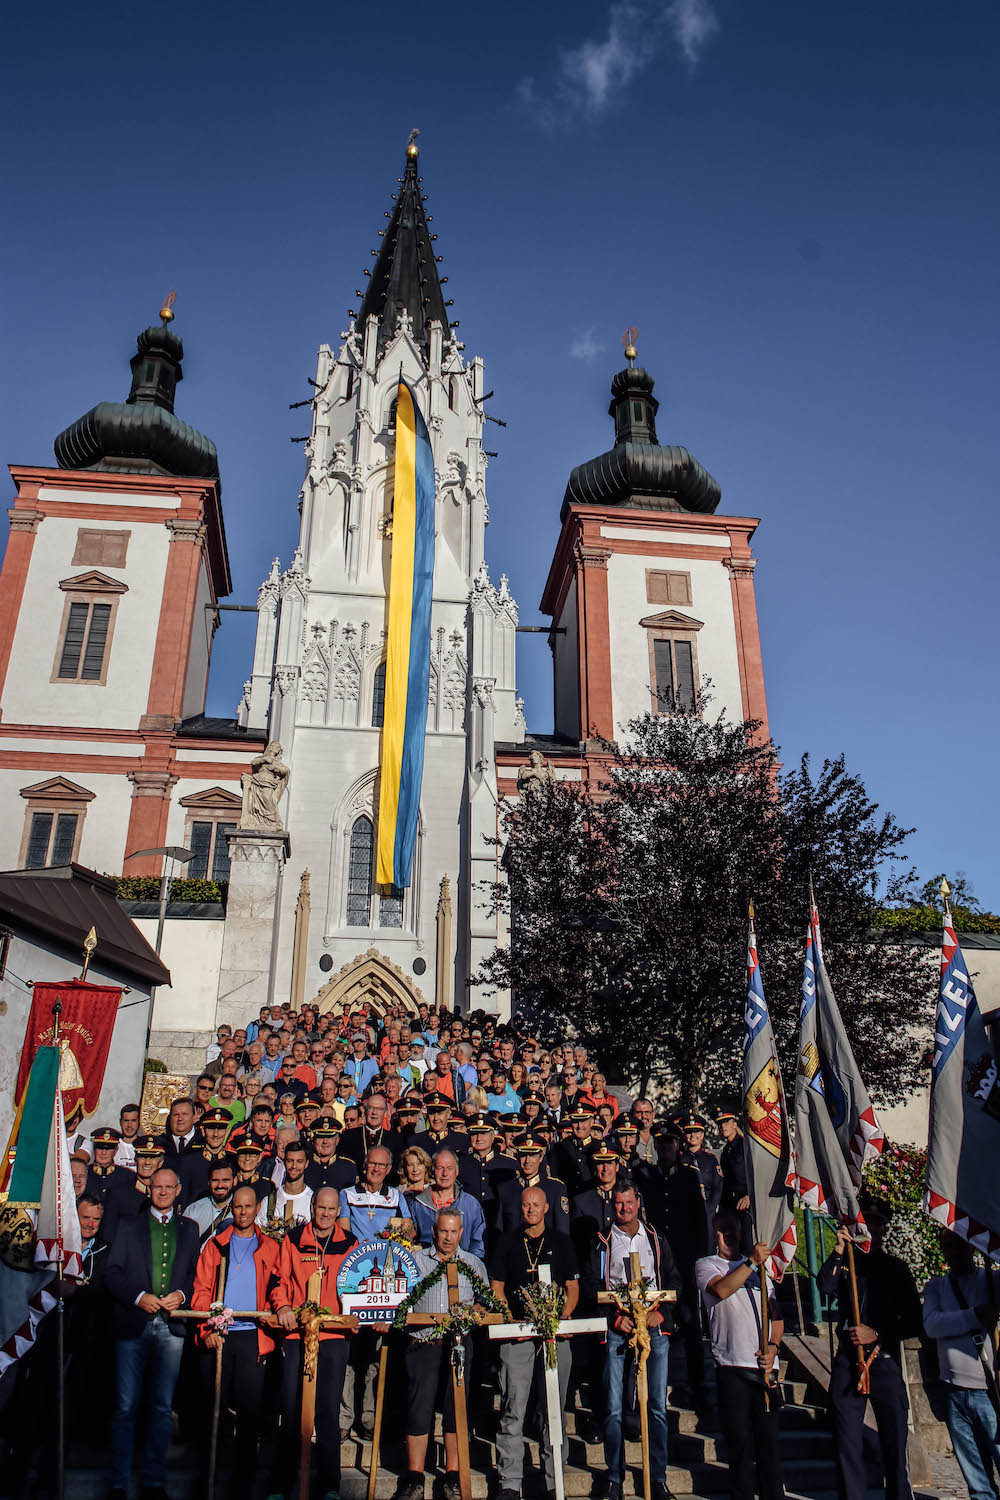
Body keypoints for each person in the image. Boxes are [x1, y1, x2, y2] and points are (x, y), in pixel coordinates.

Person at [104, 1166, 200, 1500]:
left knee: (161, 1408)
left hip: (171, 1328)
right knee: (125, 1406)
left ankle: (153, 1482)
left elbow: (193, 1274)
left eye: (167, 1187)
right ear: (149, 1189)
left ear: (178, 1189)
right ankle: (117, 1483)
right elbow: (112, 1273)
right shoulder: (129, 1225)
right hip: (133, 1323)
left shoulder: (190, 1229)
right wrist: (138, 1297)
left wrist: (182, 1295)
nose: (161, 1192)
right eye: (155, 1186)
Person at [817, 1195, 922, 1500]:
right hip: (849, 1363)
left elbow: (914, 1322)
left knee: (893, 1445)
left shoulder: (896, 1269)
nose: (870, 1228)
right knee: (846, 1445)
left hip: (884, 1363)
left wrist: (876, 1332)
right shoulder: (849, 1262)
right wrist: (838, 1251)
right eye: (866, 1222)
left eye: (875, 1223)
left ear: (882, 1228)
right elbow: (825, 1287)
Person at [490, 1185, 580, 1500]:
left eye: (536, 1205)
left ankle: (554, 1479)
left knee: (553, 1409)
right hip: (517, 1335)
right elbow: (497, 1286)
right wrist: (507, 1317)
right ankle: (510, 1482)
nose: (530, 1210)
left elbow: (572, 1287)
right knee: (513, 1407)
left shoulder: (562, 1242)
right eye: (525, 1204)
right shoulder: (507, 1242)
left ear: (546, 1209)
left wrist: (560, 1319)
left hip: (553, 1335)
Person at [269, 1188, 360, 1500]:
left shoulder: (349, 1243)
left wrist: (358, 1315)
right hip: (297, 1336)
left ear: (338, 1211)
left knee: (327, 1412)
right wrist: (282, 1307)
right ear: (312, 1207)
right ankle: (281, 1485)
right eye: (320, 1208)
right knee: (292, 1411)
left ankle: (331, 1486)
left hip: (333, 1336)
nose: (325, 1214)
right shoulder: (294, 1239)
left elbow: (357, 1285)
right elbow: (278, 1280)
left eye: (331, 1209)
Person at [191, 1184, 281, 1496]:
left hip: (252, 1338)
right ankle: (207, 1479)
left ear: (257, 1209)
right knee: (212, 1411)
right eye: (237, 1206)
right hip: (221, 1335)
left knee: (248, 1413)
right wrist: (207, 1330)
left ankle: (242, 1485)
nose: (242, 1212)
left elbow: (278, 1287)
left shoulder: (270, 1247)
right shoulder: (216, 1245)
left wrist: (275, 1310)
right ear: (232, 1208)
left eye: (248, 1206)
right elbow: (202, 1290)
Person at [395, 1209, 491, 1500]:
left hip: (459, 1343)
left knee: (455, 1407)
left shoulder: (473, 1263)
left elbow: (484, 1300)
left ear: (461, 1233)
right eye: (443, 1231)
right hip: (424, 1342)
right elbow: (402, 1297)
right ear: (434, 1231)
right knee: (419, 1406)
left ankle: (452, 1475)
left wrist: (475, 1311)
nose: (448, 1238)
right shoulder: (417, 1261)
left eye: (454, 1232)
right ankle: (414, 1476)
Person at [695, 1212, 785, 1500]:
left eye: (732, 1230)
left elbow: (778, 1318)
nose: (728, 1235)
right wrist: (751, 1262)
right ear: (714, 1236)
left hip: (765, 1370)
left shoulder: (761, 1270)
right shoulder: (706, 1265)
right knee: (740, 1448)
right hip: (733, 1367)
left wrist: (773, 1347)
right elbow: (721, 1289)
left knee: (770, 1448)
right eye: (722, 1231)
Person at [601, 1183, 681, 1500]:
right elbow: (595, 1284)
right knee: (614, 1408)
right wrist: (614, 1319)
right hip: (619, 1328)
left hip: (653, 1328)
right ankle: (614, 1477)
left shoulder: (655, 1238)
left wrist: (663, 1314)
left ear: (638, 1203)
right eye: (619, 1203)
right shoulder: (604, 1242)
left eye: (629, 1202)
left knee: (657, 1407)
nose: (624, 1209)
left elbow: (673, 1279)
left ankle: (657, 1477)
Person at [923, 1230, 1000, 1500]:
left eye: (960, 1246)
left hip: (991, 1390)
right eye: (948, 1247)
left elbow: (944, 1323)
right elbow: (932, 1325)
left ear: (972, 1247)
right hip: (954, 1389)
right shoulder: (936, 1287)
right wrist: (974, 1315)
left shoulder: (992, 1281)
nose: (954, 1252)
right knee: (975, 1475)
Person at [406, 1149, 487, 1257]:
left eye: (449, 1168)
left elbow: (478, 1245)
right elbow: (410, 1241)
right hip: (426, 1267)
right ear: (433, 1171)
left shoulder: (471, 1204)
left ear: (456, 1172)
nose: (445, 1174)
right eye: (440, 1168)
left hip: (463, 1268)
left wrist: (470, 1268)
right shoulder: (418, 1205)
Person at [496, 1133, 571, 1237]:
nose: (528, 1161)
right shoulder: (505, 1189)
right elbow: (500, 1231)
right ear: (517, 1156)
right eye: (523, 1155)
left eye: (532, 1155)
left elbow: (562, 1233)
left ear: (540, 1158)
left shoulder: (556, 1189)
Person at [341, 1146, 408, 1243]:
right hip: (357, 1252)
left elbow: (408, 1228)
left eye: (381, 1165)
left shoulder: (396, 1196)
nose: (376, 1169)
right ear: (365, 1165)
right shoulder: (347, 1194)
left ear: (388, 1169)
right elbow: (343, 1233)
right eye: (372, 1163)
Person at [714, 1107, 752, 1253]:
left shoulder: (745, 1146)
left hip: (746, 1205)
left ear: (735, 1124)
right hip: (731, 1206)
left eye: (726, 1122)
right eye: (720, 1124)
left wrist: (749, 1195)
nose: (723, 1127)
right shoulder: (726, 1151)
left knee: (747, 1247)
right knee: (733, 1247)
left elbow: (754, 1173)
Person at [338, 1092, 403, 1171]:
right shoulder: (348, 1136)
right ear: (365, 1112)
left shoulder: (395, 1140)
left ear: (385, 1113)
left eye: (379, 1109)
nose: (374, 1113)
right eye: (371, 1108)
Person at [259, 1140, 313, 1227]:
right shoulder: (269, 1201)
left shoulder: (313, 1201)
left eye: (299, 1161)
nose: (294, 1166)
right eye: (290, 1161)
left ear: (306, 1164)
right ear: (284, 1162)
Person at [184, 1159, 236, 1244]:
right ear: (209, 1182)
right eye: (215, 1180)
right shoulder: (194, 1210)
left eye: (225, 1180)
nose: (220, 1185)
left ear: (235, 1181)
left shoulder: (242, 1210)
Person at [305, 1120, 357, 1193]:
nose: (325, 1141)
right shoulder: (304, 1164)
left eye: (329, 1137)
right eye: (320, 1137)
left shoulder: (348, 1167)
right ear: (313, 1140)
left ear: (337, 1141)